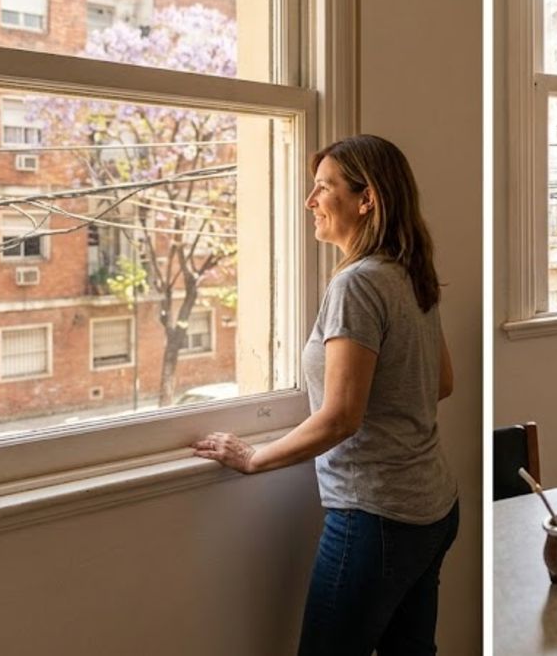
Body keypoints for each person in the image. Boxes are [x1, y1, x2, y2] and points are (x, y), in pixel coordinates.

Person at [191, 134, 458, 655]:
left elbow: (340, 418)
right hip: (434, 508)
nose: (310, 202)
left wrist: (253, 458)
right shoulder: (408, 273)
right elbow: (442, 382)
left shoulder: (356, 284)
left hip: (376, 518)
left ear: (367, 199)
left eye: (322, 188)